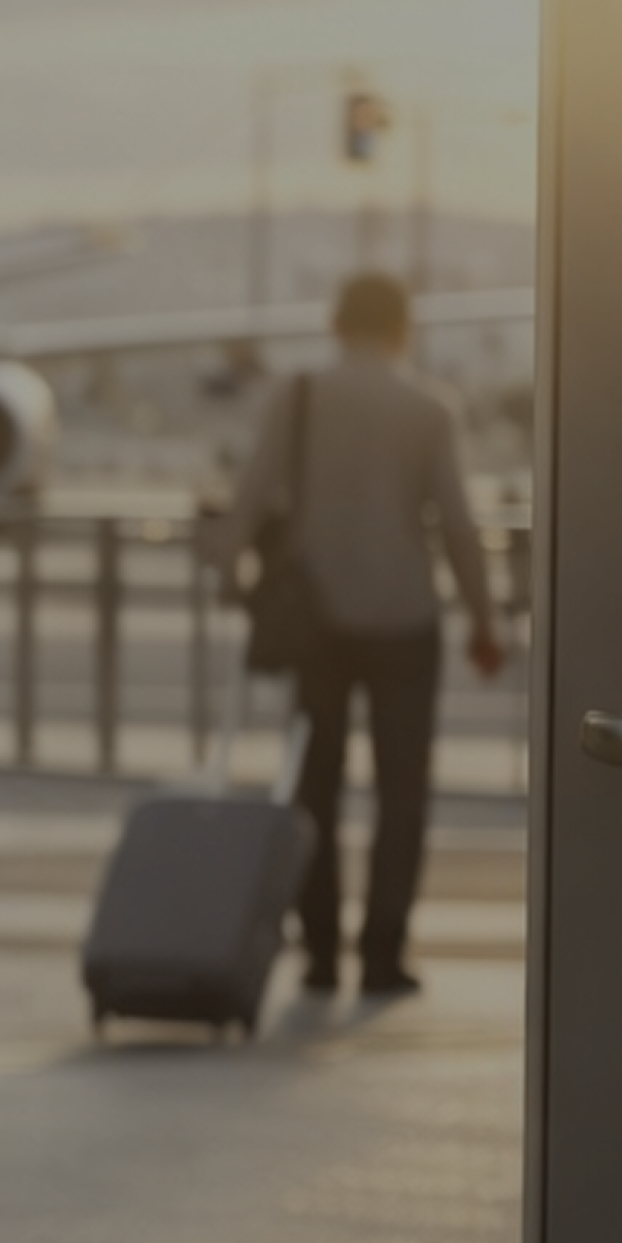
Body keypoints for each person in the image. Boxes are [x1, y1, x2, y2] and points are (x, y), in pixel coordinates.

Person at [238, 272, 508, 997]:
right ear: (402, 330)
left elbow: (250, 495)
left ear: (334, 324)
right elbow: (456, 525)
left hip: (318, 624)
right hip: (404, 620)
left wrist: (228, 568)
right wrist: (486, 620)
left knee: (315, 786)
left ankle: (320, 951)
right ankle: (383, 953)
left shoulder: (295, 397)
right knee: (402, 789)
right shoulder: (427, 409)